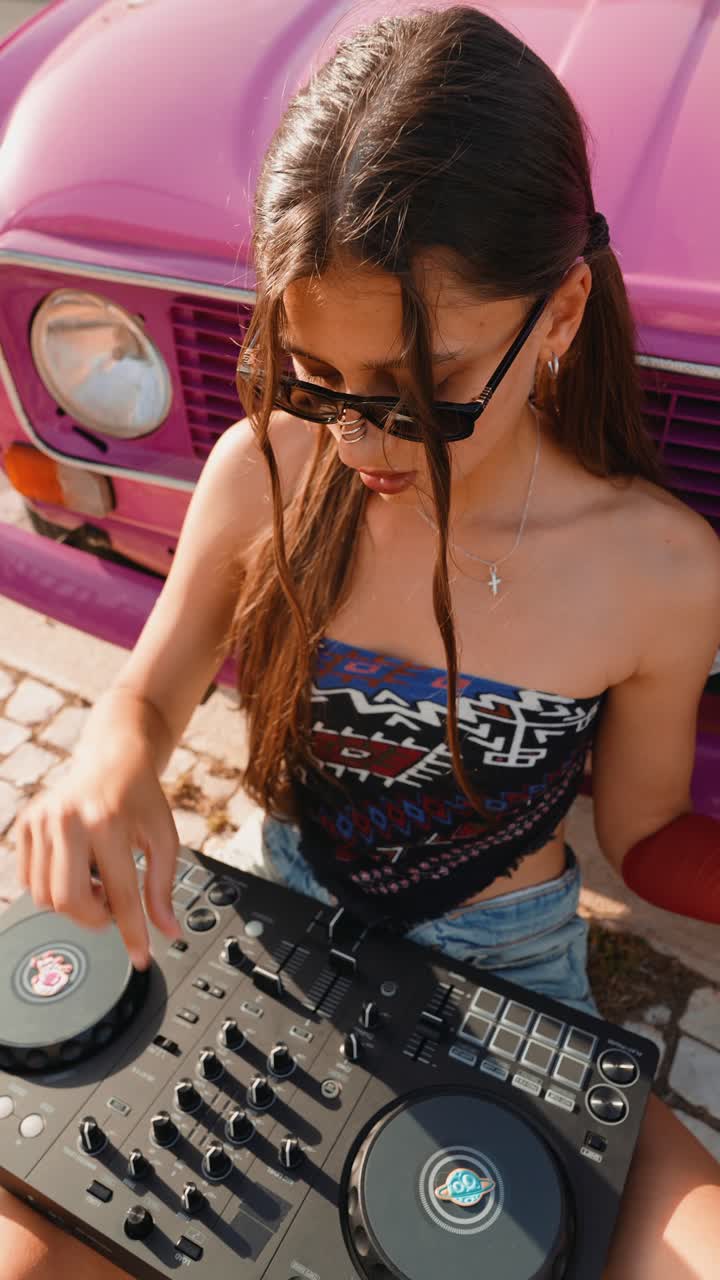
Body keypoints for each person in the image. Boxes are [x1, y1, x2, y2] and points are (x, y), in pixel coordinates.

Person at [3, 6, 720, 1277]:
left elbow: (650, 832)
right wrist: (104, 762)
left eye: (418, 390)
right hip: (276, 921)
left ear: (558, 316)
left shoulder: (660, 568)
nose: (359, 445)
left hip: (514, 977)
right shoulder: (263, 467)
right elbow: (149, 699)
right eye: (315, 373)